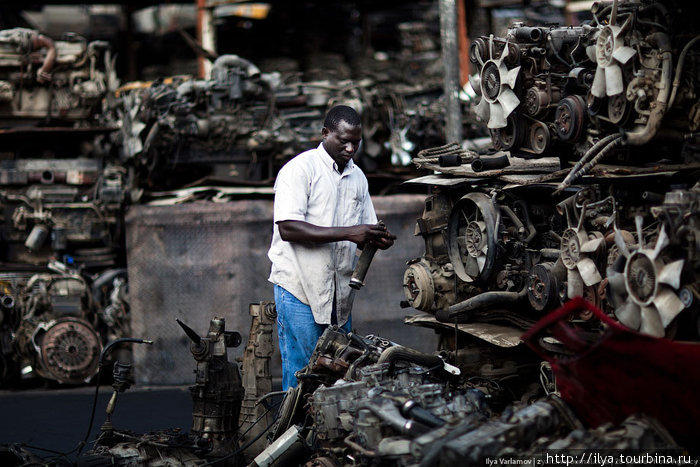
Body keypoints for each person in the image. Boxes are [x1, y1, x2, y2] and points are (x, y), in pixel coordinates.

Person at [268, 105, 395, 390]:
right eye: (343, 141)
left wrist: (378, 239)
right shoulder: (299, 170)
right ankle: (293, 433)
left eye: (356, 143)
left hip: (340, 298)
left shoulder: (358, 177)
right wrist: (351, 233)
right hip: (299, 289)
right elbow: (288, 228)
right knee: (304, 374)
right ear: (325, 134)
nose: (350, 148)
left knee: (338, 373)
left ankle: (324, 435)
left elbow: (364, 231)